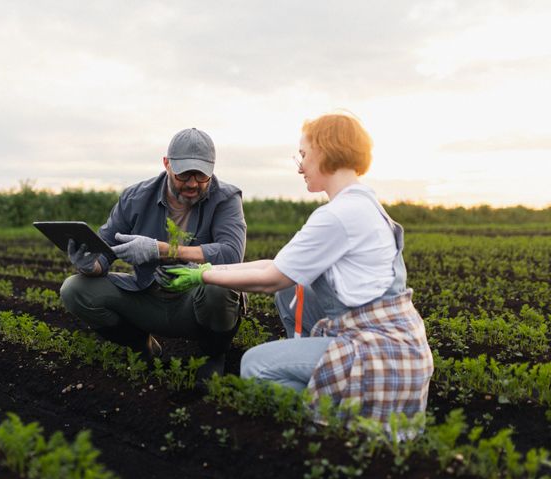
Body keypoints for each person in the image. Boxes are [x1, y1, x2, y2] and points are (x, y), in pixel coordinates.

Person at [161, 113, 433, 425]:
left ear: (325, 150)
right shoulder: (363, 204)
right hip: (399, 353)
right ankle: (333, 414)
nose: (300, 165)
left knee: (255, 366)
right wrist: (211, 268)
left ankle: (331, 429)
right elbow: (279, 266)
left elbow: (271, 279)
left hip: (378, 358)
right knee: (294, 288)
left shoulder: (339, 215)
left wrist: (202, 275)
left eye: (304, 154)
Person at [60, 127, 247, 377]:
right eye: (184, 175)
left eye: (201, 176)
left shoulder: (226, 198)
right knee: (75, 289)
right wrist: (91, 265)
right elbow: (105, 249)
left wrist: (160, 250)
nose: (192, 183)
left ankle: (213, 355)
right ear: (167, 164)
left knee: (219, 285)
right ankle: (142, 346)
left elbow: (232, 253)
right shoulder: (135, 198)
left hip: (195, 301)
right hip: (148, 295)